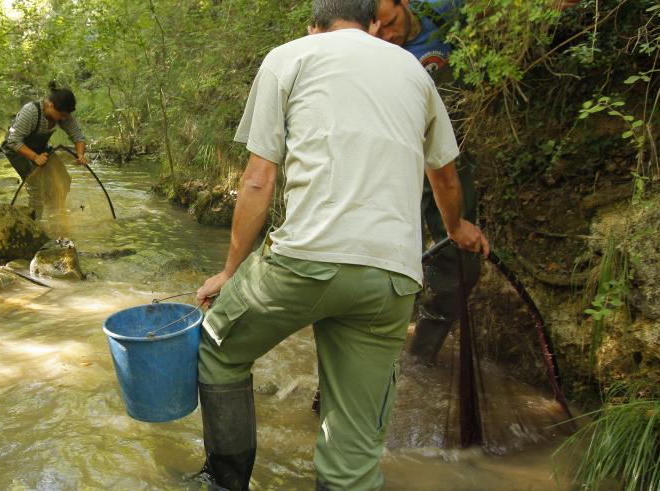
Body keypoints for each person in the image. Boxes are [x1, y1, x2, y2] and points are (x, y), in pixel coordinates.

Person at [193, 0, 489, 489]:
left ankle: (225, 481)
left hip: (303, 262)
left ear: (313, 26)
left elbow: (258, 181)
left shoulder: (289, 57)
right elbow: (445, 177)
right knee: (353, 457)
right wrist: (456, 229)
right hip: (392, 278)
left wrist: (229, 273)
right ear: (373, 23)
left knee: (219, 349)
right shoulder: (416, 73)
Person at [374, 0, 575, 364]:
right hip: (397, 161)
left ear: (405, 4)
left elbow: (503, 9)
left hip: (450, 156)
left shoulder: (444, 9)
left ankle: (420, 356)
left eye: (390, 24)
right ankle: (374, 355)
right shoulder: (371, 47)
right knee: (385, 264)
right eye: (377, 29)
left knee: (462, 265)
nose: (386, 36)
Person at [1, 82, 88, 218]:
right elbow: (13, 141)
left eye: (67, 115)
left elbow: (78, 136)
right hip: (17, 149)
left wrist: (81, 154)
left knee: (64, 180)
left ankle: (54, 215)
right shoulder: (30, 112)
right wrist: (35, 157)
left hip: (41, 149)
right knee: (36, 187)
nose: (65, 118)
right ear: (50, 106)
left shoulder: (63, 114)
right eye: (62, 115)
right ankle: (35, 222)